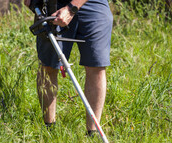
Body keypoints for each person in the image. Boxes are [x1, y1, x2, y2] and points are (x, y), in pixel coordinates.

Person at [24, 0, 113, 135]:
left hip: (92, 3)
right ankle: (49, 129)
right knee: (48, 66)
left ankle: (93, 134)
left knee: (96, 66)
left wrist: (72, 8)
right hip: (54, 3)